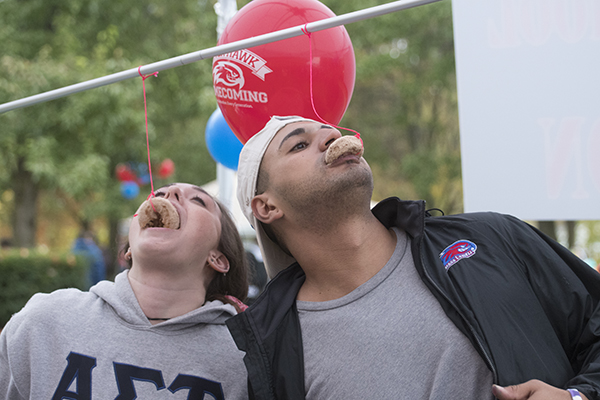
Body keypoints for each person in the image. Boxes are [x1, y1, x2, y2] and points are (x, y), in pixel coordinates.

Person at [226, 116, 600, 400]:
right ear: (267, 206)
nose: (331, 136)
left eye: (330, 131)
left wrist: (577, 396)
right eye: (298, 146)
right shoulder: (267, 352)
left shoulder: (489, 238)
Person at [0, 183, 249, 399]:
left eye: (198, 200)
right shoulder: (44, 321)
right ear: (129, 250)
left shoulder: (246, 358)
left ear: (218, 258)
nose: (168, 194)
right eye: (159, 193)